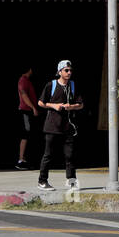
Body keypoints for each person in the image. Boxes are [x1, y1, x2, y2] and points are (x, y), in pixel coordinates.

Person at [37, 60, 82, 192]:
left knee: (70, 154)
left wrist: (71, 107)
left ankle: (71, 180)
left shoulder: (73, 86)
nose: (69, 73)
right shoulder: (51, 85)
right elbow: (40, 102)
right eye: (66, 70)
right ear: (59, 71)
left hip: (68, 126)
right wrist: (54, 106)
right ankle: (42, 181)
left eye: (70, 70)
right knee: (48, 154)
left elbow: (81, 104)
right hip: (52, 125)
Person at [16, 66, 39, 170]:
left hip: (28, 111)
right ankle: (21, 160)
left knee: (27, 134)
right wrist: (33, 108)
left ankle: (24, 159)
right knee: (25, 133)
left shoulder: (26, 81)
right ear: (29, 69)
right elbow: (24, 95)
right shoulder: (23, 80)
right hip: (25, 111)